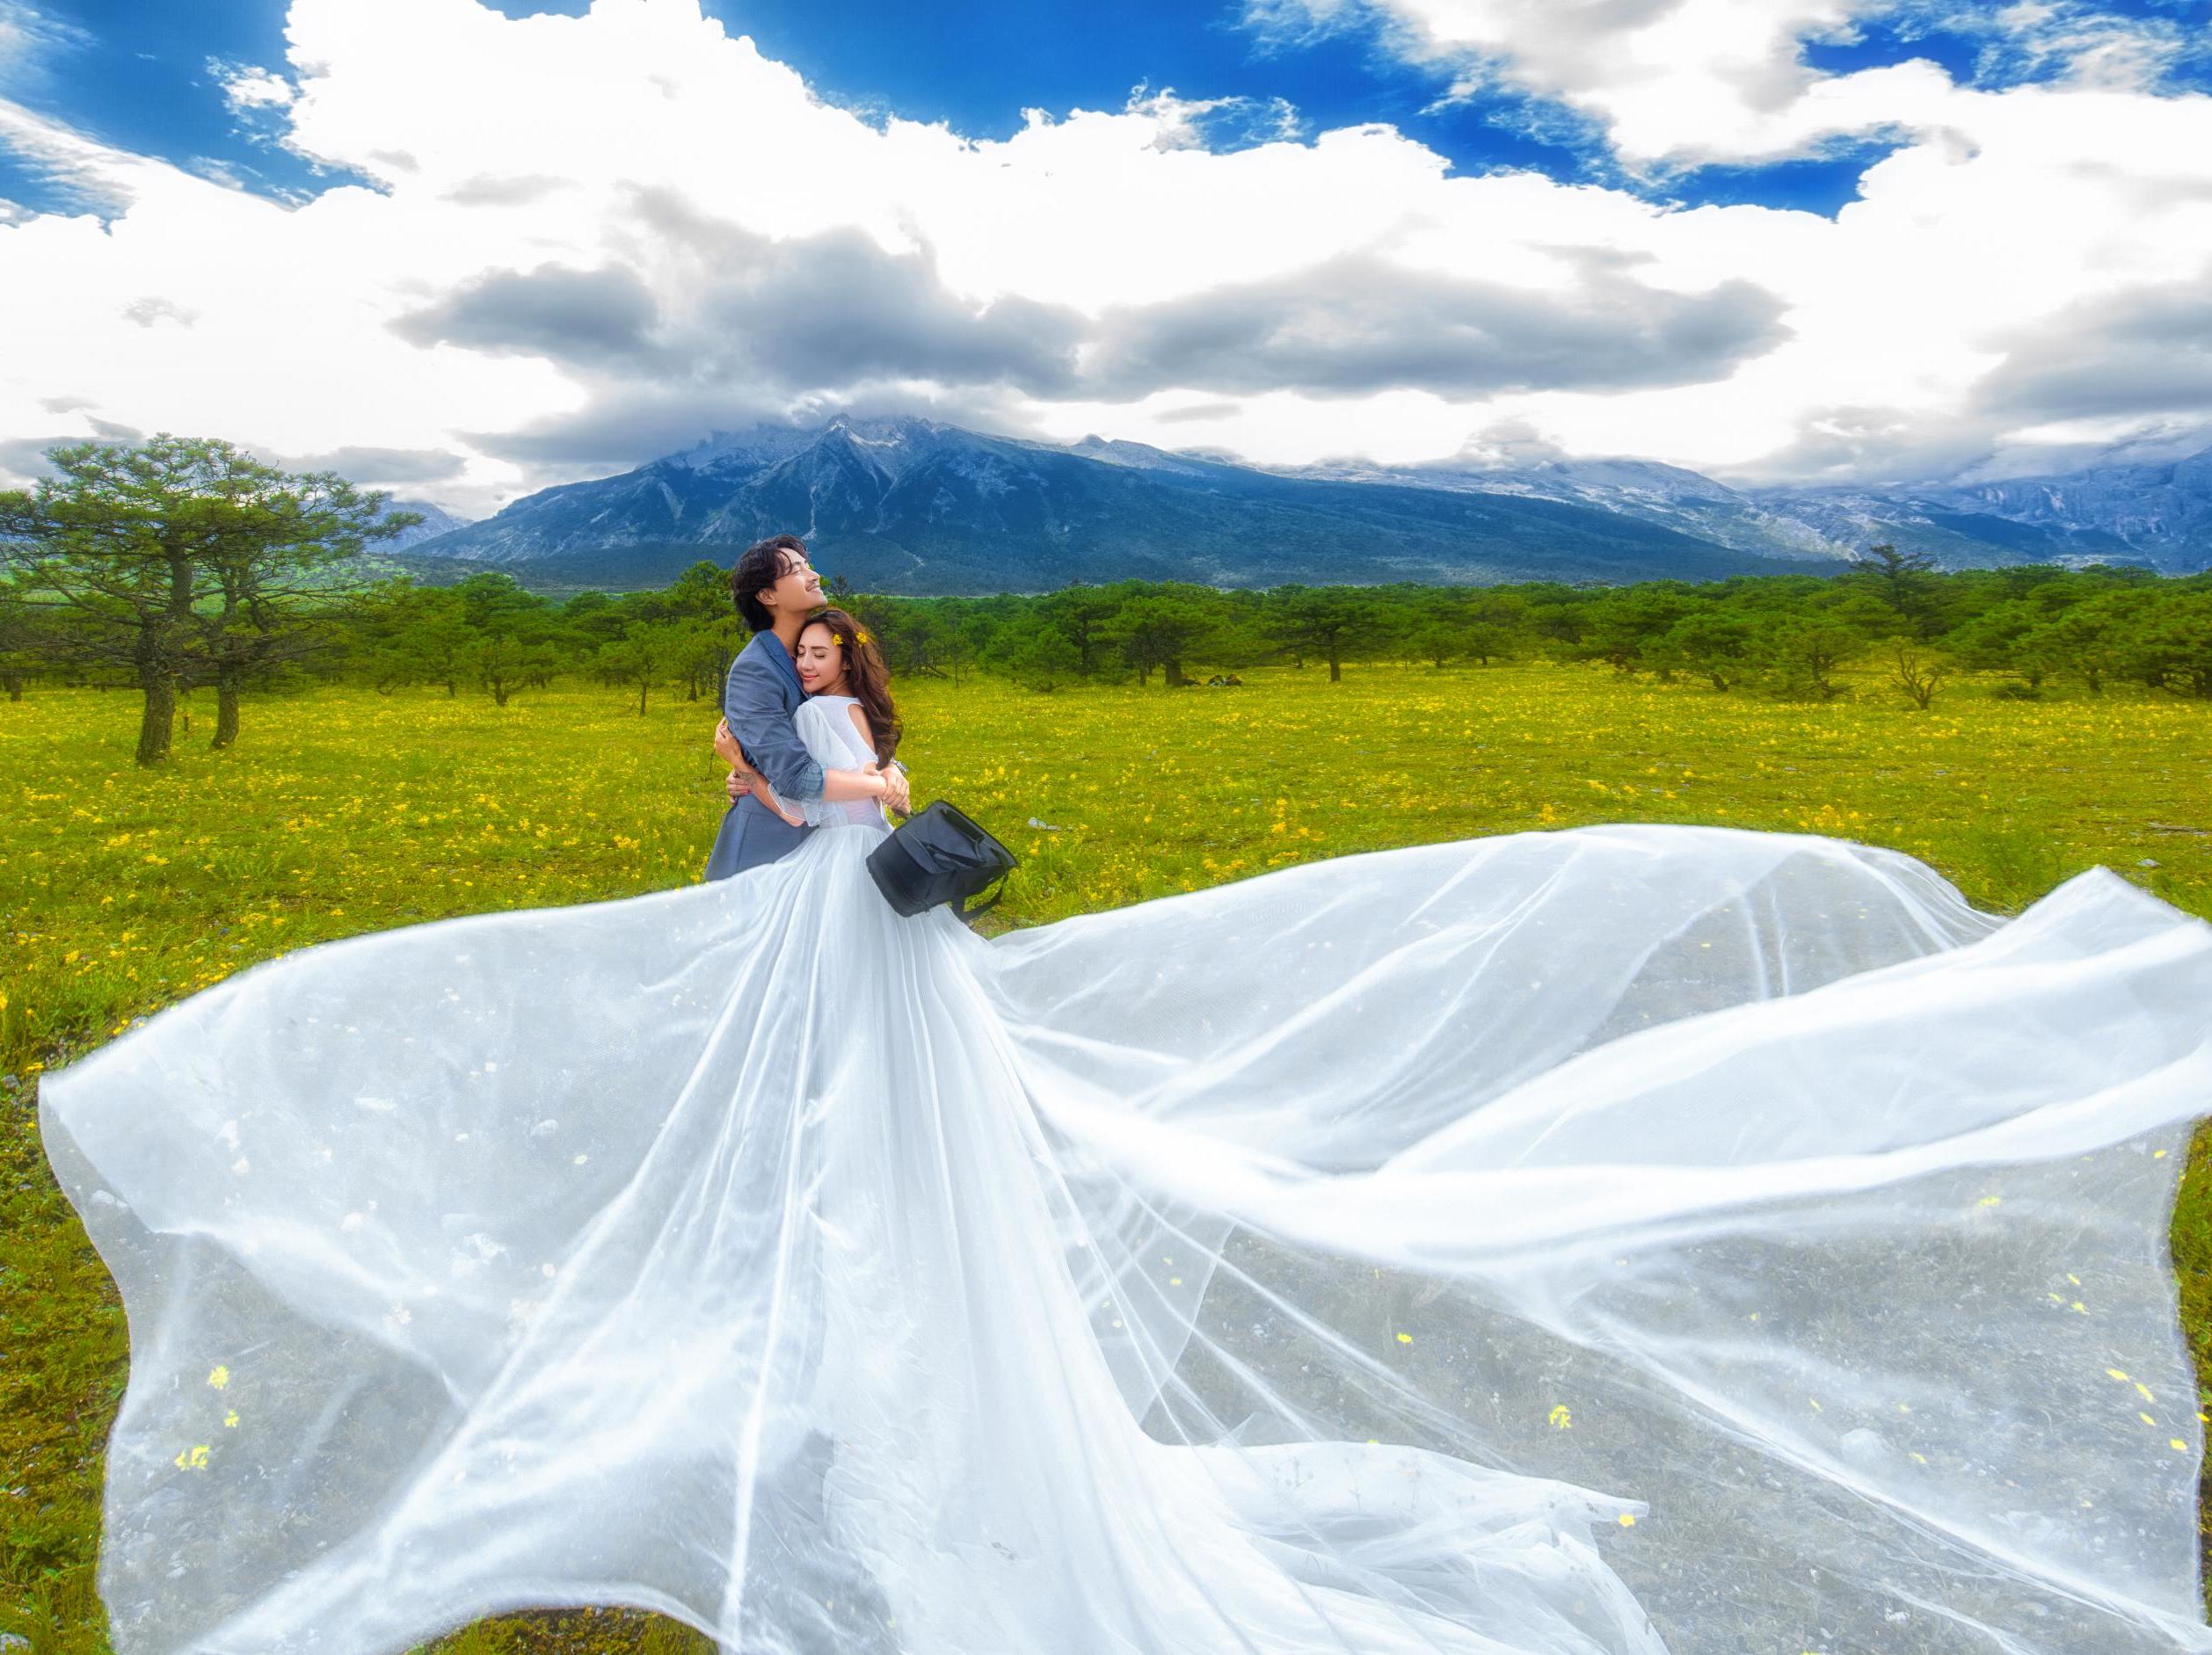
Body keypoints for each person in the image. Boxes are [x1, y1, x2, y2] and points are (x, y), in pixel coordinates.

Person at [34, 631, 2212, 1652]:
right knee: (889, 1160)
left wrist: (868, 811)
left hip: (886, 951)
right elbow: (818, 799)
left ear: (843, 647)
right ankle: (912, 1389)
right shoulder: (795, 719)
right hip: (848, 931)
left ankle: (950, 1415)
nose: (806, 646)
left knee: (946, 1155)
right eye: (788, 631)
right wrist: (838, 803)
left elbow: (859, 802)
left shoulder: (846, 715)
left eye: (821, 637)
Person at [702, 534, 909, 882]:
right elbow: (797, 777)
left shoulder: (821, 654)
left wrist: (893, 771)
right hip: (772, 848)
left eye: (808, 565)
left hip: (833, 845)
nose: (814, 576)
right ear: (768, 596)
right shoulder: (755, 670)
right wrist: (745, 769)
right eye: (797, 570)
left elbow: (852, 743)